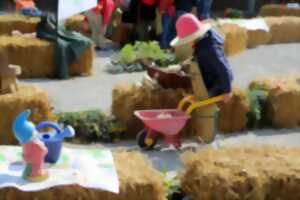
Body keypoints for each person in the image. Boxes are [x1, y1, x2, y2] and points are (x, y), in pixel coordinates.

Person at [170, 13, 233, 103]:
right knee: (193, 94)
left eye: (187, 39)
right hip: (209, 76)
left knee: (201, 100)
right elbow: (196, 57)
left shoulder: (210, 49)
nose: (187, 43)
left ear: (193, 36)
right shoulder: (203, 40)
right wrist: (182, 66)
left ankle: (209, 114)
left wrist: (227, 90)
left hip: (218, 83)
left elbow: (222, 68)